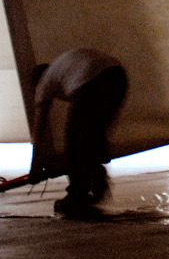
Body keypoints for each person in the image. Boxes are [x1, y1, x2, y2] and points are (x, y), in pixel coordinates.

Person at [29, 48, 128, 216]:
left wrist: (35, 165)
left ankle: (77, 195)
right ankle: (97, 179)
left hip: (91, 81)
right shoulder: (62, 67)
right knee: (90, 136)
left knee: (74, 141)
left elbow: (40, 128)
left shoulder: (44, 82)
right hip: (118, 77)